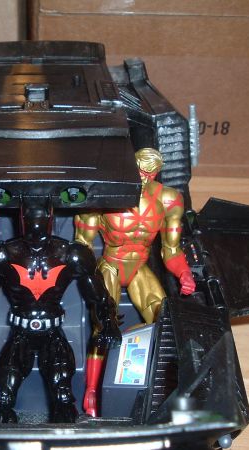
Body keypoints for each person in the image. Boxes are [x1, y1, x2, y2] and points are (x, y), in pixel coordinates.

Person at [0, 200, 121, 423]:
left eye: (40, 217)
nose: (34, 224)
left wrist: (109, 323)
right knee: (4, 395)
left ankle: (64, 434)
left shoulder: (71, 253)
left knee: (63, 394)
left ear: (50, 218)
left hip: (52, 332)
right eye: (29, 218)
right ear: (21, 219)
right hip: (20, 332)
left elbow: (99, 296)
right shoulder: (2, 254)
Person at [74, 147, 195, 416]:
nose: (143, 178)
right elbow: (82, 247)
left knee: (165, 321)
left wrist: (184, 273)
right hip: (111, 264)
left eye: (150, 174)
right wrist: (91, 283)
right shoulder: (103, 197)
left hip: (140, 266)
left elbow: (171, 250)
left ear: (157, 172)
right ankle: (91, 391)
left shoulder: (169, 200)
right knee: (103, 325)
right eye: (139, 171)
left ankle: (163, 385)